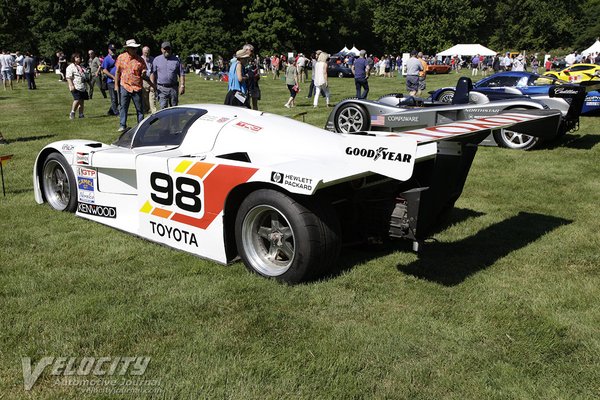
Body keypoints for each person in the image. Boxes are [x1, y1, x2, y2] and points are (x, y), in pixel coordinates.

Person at [115, 39, 150, 132]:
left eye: (136, 48)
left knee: (139, 108)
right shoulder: (121, 57)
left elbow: (143, 70)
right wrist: (116, 85)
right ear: (128, 49)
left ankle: (140, 125)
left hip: (137, 87)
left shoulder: (140, 59)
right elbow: (117, 72)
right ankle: (122, 125)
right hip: (124, 86)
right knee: (123, 106)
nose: (135, 50)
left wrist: (143, 72)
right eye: (133, 48)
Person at [151, 42, 184, 110]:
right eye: (165, 49)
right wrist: (152, 85)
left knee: (174, 108)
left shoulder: (176, 60)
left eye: (168, 48)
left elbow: (181, 74)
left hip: (173, 88)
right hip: (161, 88)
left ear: (171, 49)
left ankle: (174, 121)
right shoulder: (156, 60)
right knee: (163, 109)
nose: (167, 50)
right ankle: (165, 121)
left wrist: (182, 86)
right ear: (161, 49)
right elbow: (152, 74)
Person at [66, 52, 89, 119]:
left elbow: (85, 75)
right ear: (74, 58)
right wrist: (71, 85)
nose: (79, 58)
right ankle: (72, 112)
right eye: (77, 57)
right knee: (77, 99)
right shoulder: (70, 67)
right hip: (76, 86)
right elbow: (68, 77)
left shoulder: (81, 66)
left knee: (82, 100)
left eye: (79, 57)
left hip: (82, 86)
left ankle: (81, 114)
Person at [102, 44, 119, 116]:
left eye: (114, 50)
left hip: (118, 80)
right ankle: (116, 112)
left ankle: (110, 111)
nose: (113, 51)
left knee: (118, 98)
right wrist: (113, 77)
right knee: (114, 98)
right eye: (112, 50)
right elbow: (104, 70)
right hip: (110, 81)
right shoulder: (106, 59)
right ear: (108, 50)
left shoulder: (117, 58)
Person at [140, 46, 156, 114]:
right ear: (142, 52)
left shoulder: (153, 59)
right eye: (145, 52)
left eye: (148, 52)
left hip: (152, 80)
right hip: (143, 81)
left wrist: (153, 84)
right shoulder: (140, 59)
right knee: (145, 98)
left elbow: (153, 71)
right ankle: (146, 109)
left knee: (152, 97)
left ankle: (154, 112)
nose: (147, 54)